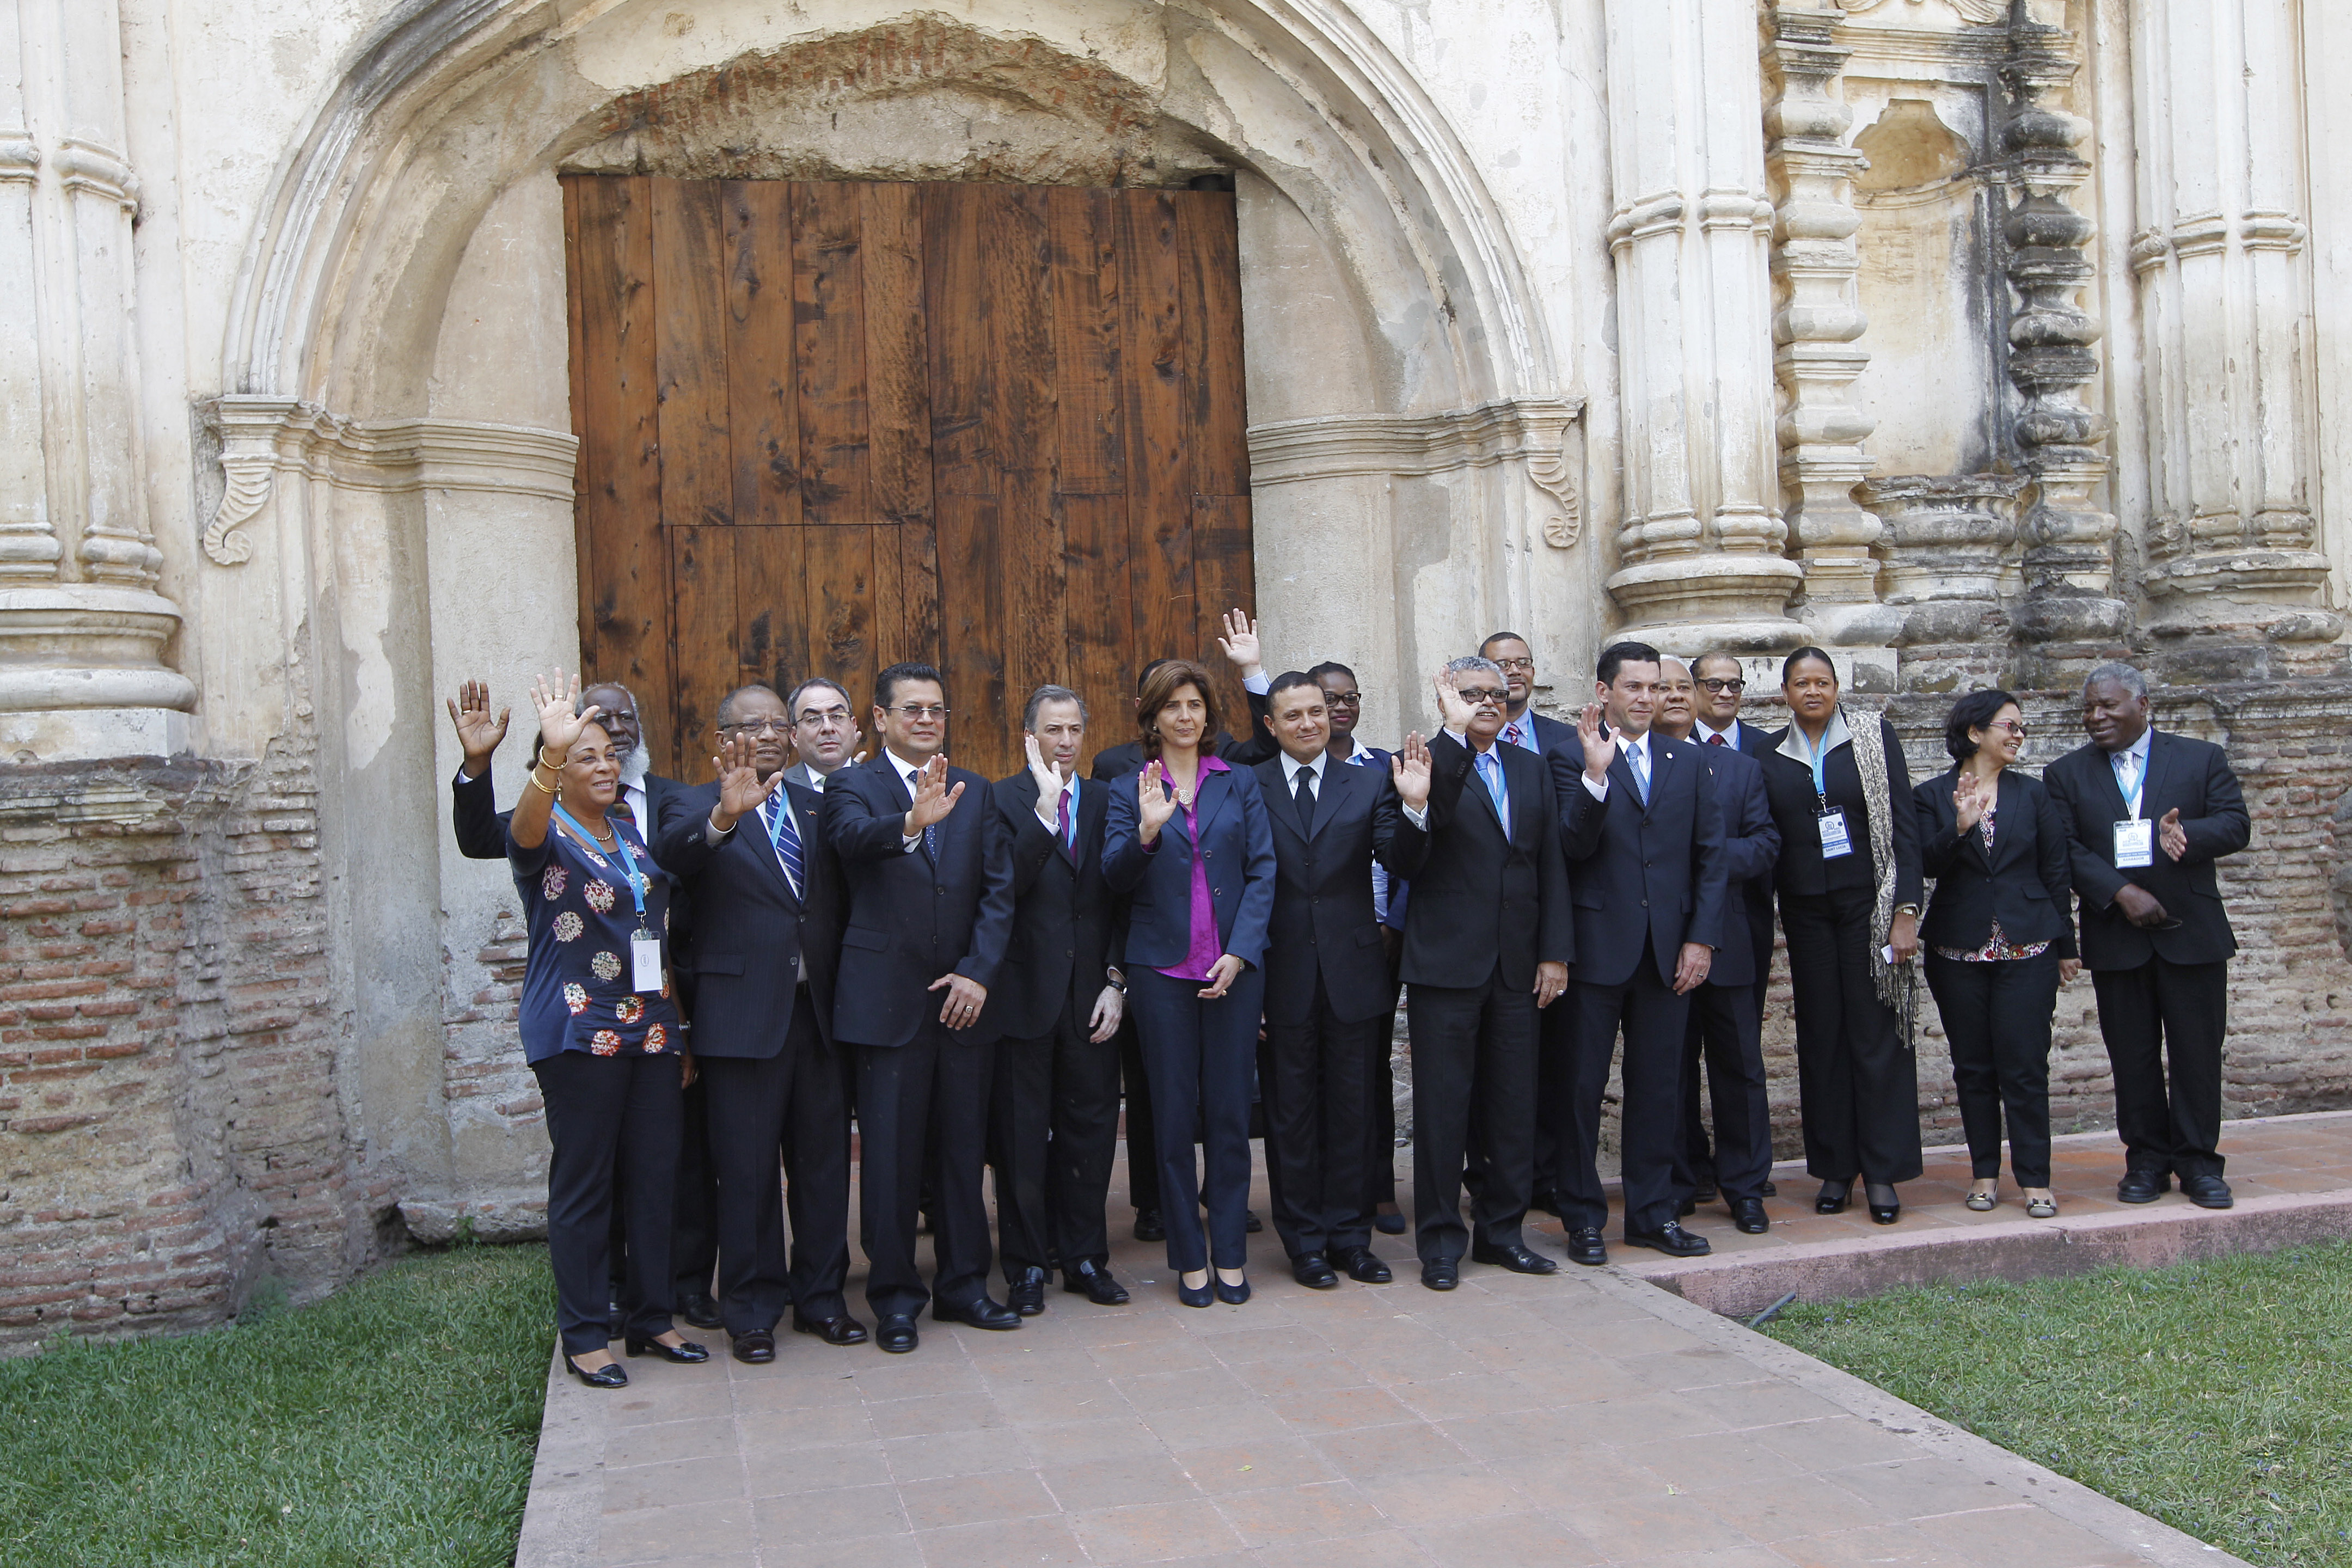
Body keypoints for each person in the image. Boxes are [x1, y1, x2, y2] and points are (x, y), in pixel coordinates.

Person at [653, 685, 861, 1364]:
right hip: (741, 1020)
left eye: (779, 723)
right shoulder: (689, 805)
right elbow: (675, 857)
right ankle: (750, 1311)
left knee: (824, 1169)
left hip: (819, 1018)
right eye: (752, 724)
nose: (770, 734)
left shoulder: (820, 802)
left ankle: (823, 1300)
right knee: (745, 1174)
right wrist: (721, 817)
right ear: (721, 736)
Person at [507, 671, 703, 1387]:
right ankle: (586, 1332)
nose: (606, 765)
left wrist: (675, 1021)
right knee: (587, 1184)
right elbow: (520, 836)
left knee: (655, 1177)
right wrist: (550, 757)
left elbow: (654, 926)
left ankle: (653, 1318)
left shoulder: (626, 828)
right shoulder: (542, 831)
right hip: (578, 1027)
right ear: (554, 768)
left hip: (650, 1027)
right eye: (586, 756)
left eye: (608, 755)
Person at [820, 661, 1019, 1352]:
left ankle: (966, 1286)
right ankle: (897, 1300)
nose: (928, 720)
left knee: (964, 1153)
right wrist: (909, 822)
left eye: (936, 708)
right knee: (892, 1159)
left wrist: (978, 973)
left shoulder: (980, 791)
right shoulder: (850, 786)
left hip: (965, 1004)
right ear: (879, 720)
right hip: (887, 1005)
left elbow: (1000, 892)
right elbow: (849, 843)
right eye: (912, 710)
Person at [1091, 615, 1275, 1247]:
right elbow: (1113, 878)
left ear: (1208, 714)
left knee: (1228, 1117)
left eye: (1195, 704)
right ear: (1154, 718)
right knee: (1170, 1119)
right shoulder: (1125, 789)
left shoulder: (1239, 781)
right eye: (1173, 706)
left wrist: (1242, 952)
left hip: (1230, 972)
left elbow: (1262, 873)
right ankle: (1187, 1253)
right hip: (1160, 972)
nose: (1186, 716)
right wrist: (1145, 831)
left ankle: (1227, 1250)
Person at [2043, 664, 2250, 1209]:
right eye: (2089, 709)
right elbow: (2064, 848)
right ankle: (2147, 1162)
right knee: (2131, 1057)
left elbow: (2236, 822)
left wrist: (2191, 835)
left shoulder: (2199, 758)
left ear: (2143, 705)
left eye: (2108, 706)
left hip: (2192, 934)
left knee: (2197, 1054)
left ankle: (2200, 1164)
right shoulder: (2066, 773)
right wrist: (2120, 893)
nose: (2096, 717)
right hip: (2118, 936)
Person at [1250, 672, 1429, 1289]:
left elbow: (1402, 860)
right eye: (1294, 715)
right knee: (1291, 1114)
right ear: (1271, 726)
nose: (1309, 723)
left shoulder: (1371, 780)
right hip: (1281, 973)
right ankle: (1304, 1243)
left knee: (1354, 1111)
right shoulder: (1251, 784)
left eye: (1317, 712)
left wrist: (1414, 807)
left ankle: (1352, 1240)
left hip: (1354, 971)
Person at [1399, 658, 1572, 1290]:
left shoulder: (1529, 767)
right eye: (1472, 695)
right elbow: (1410, 850)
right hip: (1446, 966)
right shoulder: (1420, 759)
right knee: (1445, 1111)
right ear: (1446, 698)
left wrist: (1554, 952)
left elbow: (1548, 863)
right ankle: (1442, 1244)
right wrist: (1446, 746)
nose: (1489, 704)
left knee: (1511, 1107)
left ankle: (1503, 1234)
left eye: (1497, 694)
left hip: (1517, 967)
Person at [1555, 645, 1728, 1263]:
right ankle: (1582, 1220)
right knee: (1580, 1089)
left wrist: (1701, 939)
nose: (1647, 699)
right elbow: (1569, 850)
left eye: (1655, 688)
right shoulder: (1570, 754)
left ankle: (1654, 1215)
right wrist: (1595, 778)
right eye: (1633, 687)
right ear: (1604, 693)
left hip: (1669, 955)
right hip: (1596, 950)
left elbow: (1712, 858)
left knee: (1659, 1089)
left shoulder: (1687, 761)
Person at [1754, 648, 1924, 1224]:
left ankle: (1881, 1173)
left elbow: (1905, 827)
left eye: (1822, 682)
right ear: (1785, 692)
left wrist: (1906, 910)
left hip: (1870, 908)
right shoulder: (1769, 753)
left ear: (1836, 687)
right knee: (1822, 1037)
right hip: (1806, 913)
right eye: (1801, 683)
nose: (1813, 691)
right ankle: (1835, 1168)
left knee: (1876, 1035)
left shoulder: (1873, 740)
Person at [985, 687, 1131, 1312]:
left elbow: (1128, 895)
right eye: (1053, 731)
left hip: (1093, 997)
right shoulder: (999, 799)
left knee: (1090, 1133)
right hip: (1022, 997)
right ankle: (1024, 1267)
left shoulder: (1108, 799)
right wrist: (1044, 819)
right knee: (1020, 1138)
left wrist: (1117, 981)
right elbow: (1001, 888)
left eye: (1074, 729)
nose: (1066, 742)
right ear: (1029, 737)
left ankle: (1085, 1257)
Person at [1914, 689, 2074, 1219]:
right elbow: (1923, 864)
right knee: (1975, 1068)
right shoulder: (1933, 794)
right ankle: (1984, 1174)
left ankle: (2035, 1179)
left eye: (2021, 727)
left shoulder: (2033, 794)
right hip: (1957, 948)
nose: (2018, 735)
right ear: (1976, 732)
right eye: (2009, 725)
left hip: (2029, 947)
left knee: (2025, 1065)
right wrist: (1960, 826)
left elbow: (2056, 871)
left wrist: (2067, 946)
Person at [1652, 657, 1780, 1235]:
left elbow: (1764, 847)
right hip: (1655, 947)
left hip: (1727, 942)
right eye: (1664, 688)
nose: (1675, 696)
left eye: (1684, 686)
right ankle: (1679, 1181)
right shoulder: (1630, 765)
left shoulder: (1737, 770)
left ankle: (1746, 1188)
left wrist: (1703, 859)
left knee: (1740, 1070)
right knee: (1668, 1070)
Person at [1479, 632, 1581, 1214]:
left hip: (1554, 928)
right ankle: (1486, 1175)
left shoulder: (1568, 743)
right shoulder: (1446, 750)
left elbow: (1571, 844)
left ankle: (1544, 1176)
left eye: (1521, 664)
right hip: (1482, 940)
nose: (1512, 674)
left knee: (1551, 1065)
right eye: (1500, 666)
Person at [1310, 659, 1410, 1237]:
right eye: (1330, 699)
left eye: (1351, 698)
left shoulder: (1386, 768)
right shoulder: (1300, 768)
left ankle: (1378, 1189)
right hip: (1321, 942)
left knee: (1371, 1068)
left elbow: (1409, 854)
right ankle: (1322, 1186)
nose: (1342, 707)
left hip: (1381, 941)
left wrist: (1394, 925)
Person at [782, 677, 861, 791]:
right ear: (794, 736)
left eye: (837, 716)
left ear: (854, 727)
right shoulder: (780, 788)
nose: (828, 728)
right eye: (813, 719)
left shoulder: (879, 783)